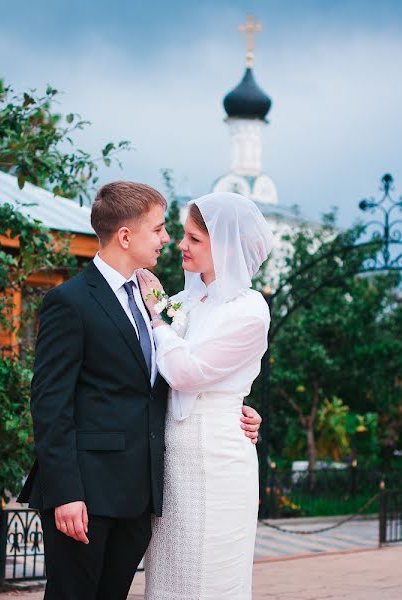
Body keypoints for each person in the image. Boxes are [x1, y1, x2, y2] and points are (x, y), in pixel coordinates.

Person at [18, 182, 263, 600]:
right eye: (159, 229)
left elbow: (178, 377)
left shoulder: (158, 302)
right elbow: (49, 404)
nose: (169, 240)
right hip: (86, 495)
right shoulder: (70, 301)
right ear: (126, 236)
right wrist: (66, 494)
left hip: (139, 496)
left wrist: (237, 410)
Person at [138, 191, 274, 600]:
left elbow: (185, 372)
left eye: (194, 239)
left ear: (226, 247)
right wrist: (162, 312)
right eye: (183, 235)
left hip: (219, 462)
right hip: (172, 462)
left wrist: (157, 320)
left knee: (213, 576)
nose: (181, 245)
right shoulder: (183, 302)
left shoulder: (250, 311)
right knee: (168, 579)